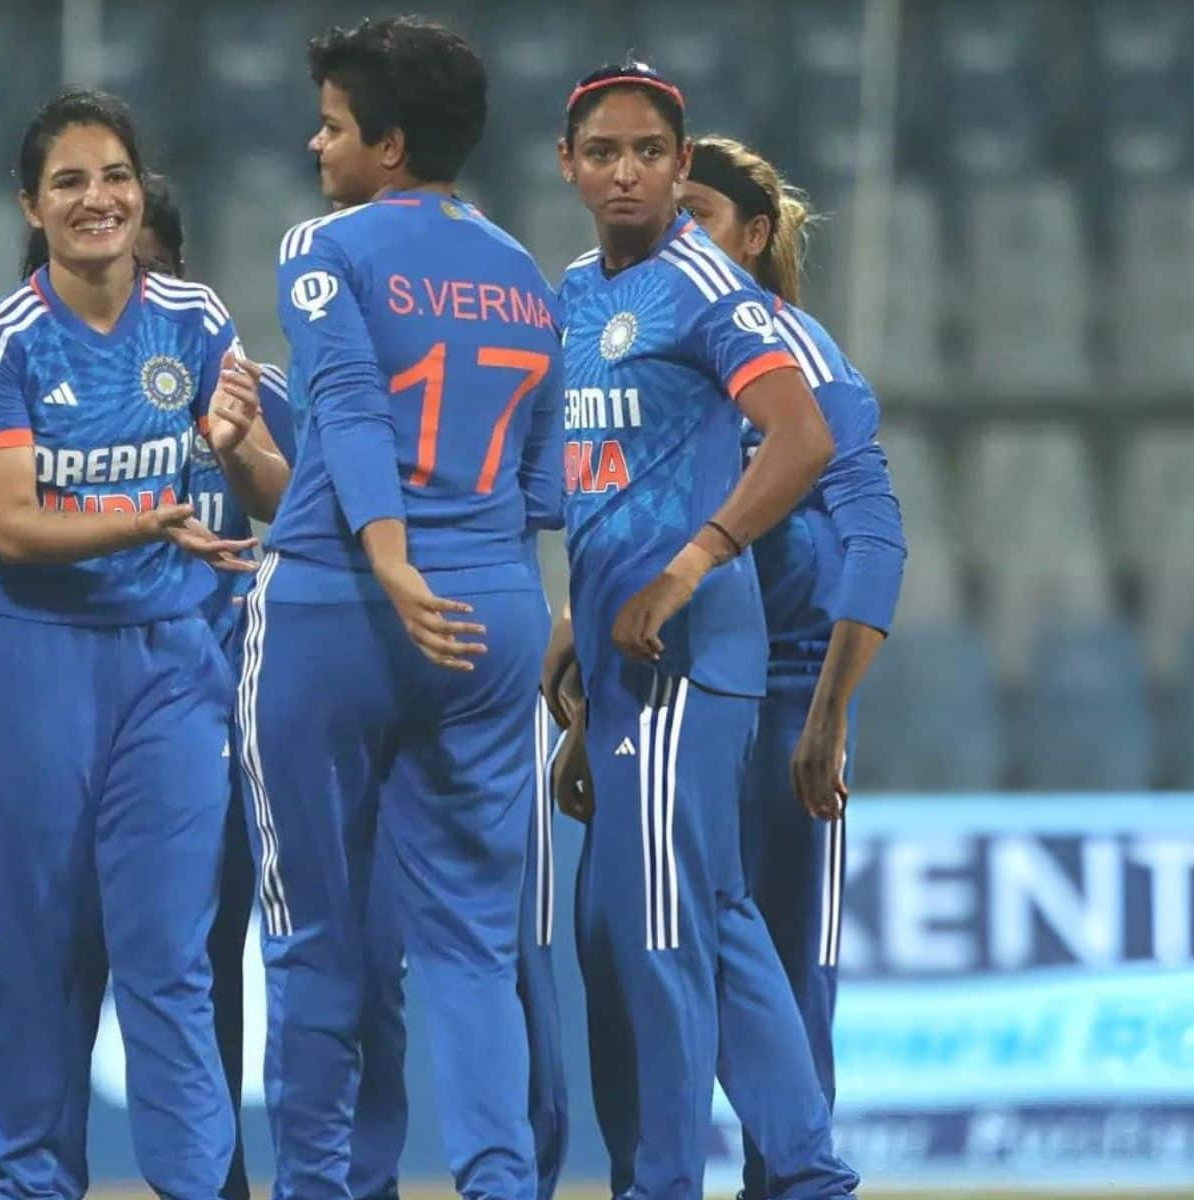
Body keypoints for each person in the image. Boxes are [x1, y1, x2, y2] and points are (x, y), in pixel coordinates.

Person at [240, 17, 565, 1198]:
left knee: (316, 937)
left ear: (387, 142)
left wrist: (388, 557)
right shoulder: (531, 276)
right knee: (474, 947)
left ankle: (322, 1189)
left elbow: (349, 401)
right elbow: (543, 481)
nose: (315, 143)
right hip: (493, 615)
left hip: (342, 601)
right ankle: (500, 1184)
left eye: (331, 125)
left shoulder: (328, 246)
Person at [548, 60, 858, 1199]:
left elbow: (802, 439)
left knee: (667, 934)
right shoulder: (576, 287)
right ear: (568, 165)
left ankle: (667, 1182)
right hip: (619, 649)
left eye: (647, 152)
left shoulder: (707, 287)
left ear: (684, 168)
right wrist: (570, 624)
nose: (624, 171)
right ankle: (808, 1167)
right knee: (702, 916)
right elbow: (596, 469)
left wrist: (690, 566)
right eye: (601, 152)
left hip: (690, 649)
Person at [0, 88, 253, 1198]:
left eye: (114, 175)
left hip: (171, 665)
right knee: (33, 965)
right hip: (35, 665)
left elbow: (252, 472)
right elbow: (18, 527)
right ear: (31, 204)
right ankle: (34, 1184)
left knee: (168, 965)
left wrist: (232, 443)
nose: (98, 199)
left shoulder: (197, 314)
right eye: (69, 181)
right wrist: (156, 513)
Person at [679, 134, 906, 1200]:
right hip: (680, 699)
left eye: (702, 221)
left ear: (755, 238)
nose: (677, 241)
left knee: (788, 976)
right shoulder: (654, 352)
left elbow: (875, 535)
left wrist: (827, 712)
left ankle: (791, 1182)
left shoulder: (795, 352)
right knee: (670, 963)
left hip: (782, 701)